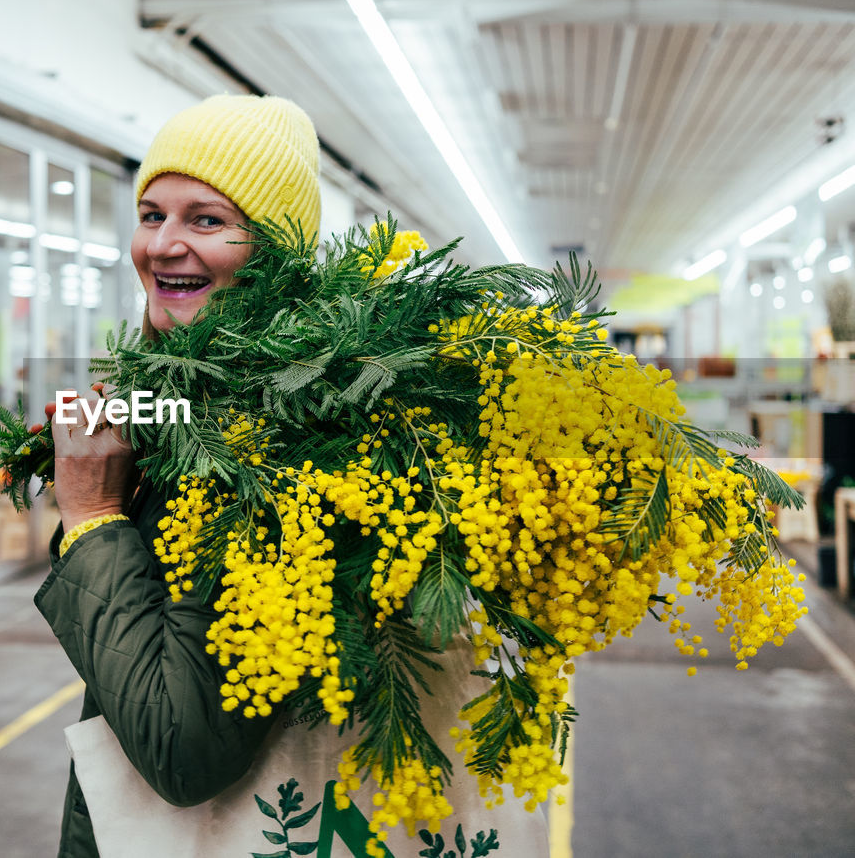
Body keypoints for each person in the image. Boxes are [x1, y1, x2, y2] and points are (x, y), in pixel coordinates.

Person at [32, 95, 547, 858]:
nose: (163, 244)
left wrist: (93, 514)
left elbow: (184, 745)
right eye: (151, 214)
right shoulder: (202, 399)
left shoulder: (285, 442)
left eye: (206, 220)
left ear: (273, 250)